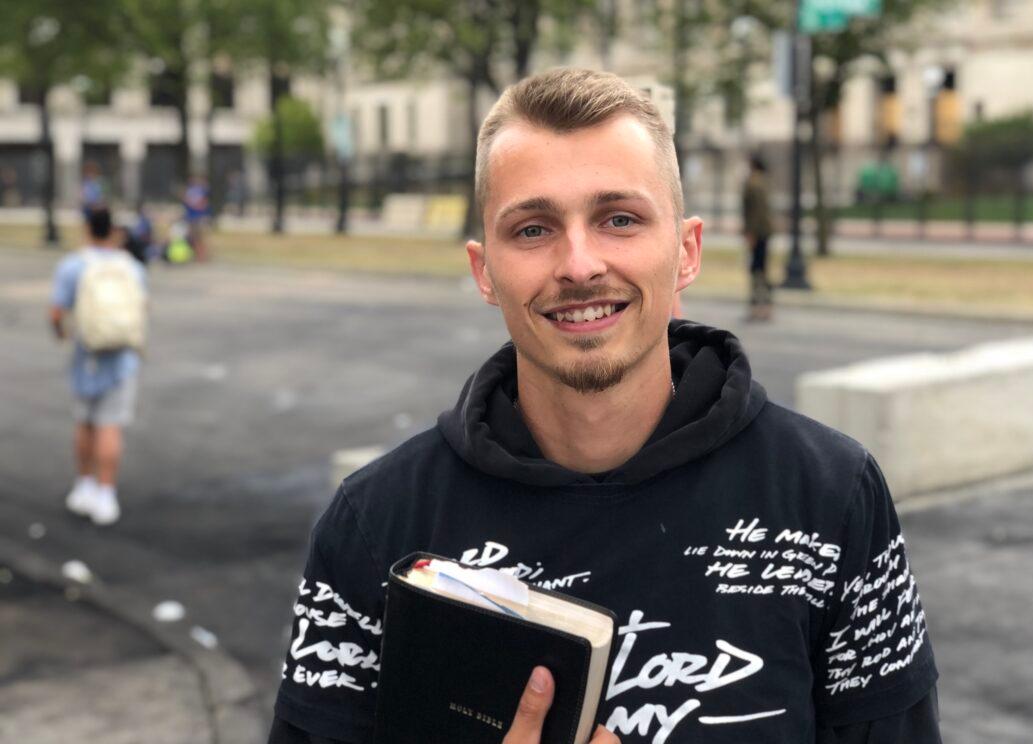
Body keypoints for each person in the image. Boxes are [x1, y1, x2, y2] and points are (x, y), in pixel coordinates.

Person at [270, 69, 940, 744]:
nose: (580, 264)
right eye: (533, 229)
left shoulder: (829, 497)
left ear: (686, 251)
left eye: (619, 219)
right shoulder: (375, 527)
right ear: (484, 272)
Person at [50, 207, 147, 526]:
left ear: (87, 228)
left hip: (85, 357)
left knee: (85, 422)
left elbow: (56, 313)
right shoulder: (131, 267)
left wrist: (62, 334)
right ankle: (106, 495)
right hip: (121, 359)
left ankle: (84, 486)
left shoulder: (74, 265)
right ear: (114, 231)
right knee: (110, 425)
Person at [742, 155, 774, 322]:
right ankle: (765, 306)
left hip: (757, 232)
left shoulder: (752, 184)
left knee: (756, 270)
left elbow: (753, 212)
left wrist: (750, 233)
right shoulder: (764, 183)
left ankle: (758, 306)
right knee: (762, 268)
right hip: (765, 231)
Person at [182, 175, 211, 261]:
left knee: (199, 238)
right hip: (191, 217)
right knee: (193, 238)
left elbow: (203, 203)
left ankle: (201, 256)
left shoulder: (199, 190)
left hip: (197, 217)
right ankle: (197, 255)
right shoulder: (191, 190)